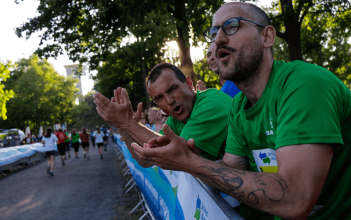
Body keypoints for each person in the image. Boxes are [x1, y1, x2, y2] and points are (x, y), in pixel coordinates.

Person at [130, 2, 351, 219]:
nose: (218, 40)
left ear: (267, 37)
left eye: (232, 26)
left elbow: (294, 199)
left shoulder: (304, 85)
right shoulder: (238, 106)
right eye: (214, 33)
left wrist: (190, 162)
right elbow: (229, 168)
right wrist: (184, 158)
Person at [93, 62, 232, 167]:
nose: (170, 101)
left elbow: (177, 155)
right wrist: (124, 129)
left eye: (172, 89)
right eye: (160, 98)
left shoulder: (212, 101)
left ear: (189, 83)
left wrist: (128, 124)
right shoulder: (175, 121)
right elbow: (146, 161)